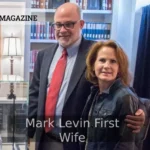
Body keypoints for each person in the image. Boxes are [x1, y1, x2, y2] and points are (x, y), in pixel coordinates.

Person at [27, 2, 145, 150]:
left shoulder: (96, 54)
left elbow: (122, 88)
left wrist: (140, 111)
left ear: (81, 24)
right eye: (58, 25)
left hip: (77, 143)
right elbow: (35, 95)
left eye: (69, 24)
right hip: (44, 140)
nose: (62, 30)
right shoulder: (44, 55)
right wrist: (30, 132)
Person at [81, 40, 145, 150]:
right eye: (102, 60)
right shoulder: (95, 93)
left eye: (113, 61)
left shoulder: (125, 98)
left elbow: (126, 145)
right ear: (93, 65)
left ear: (120, 67)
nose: (106, 66)